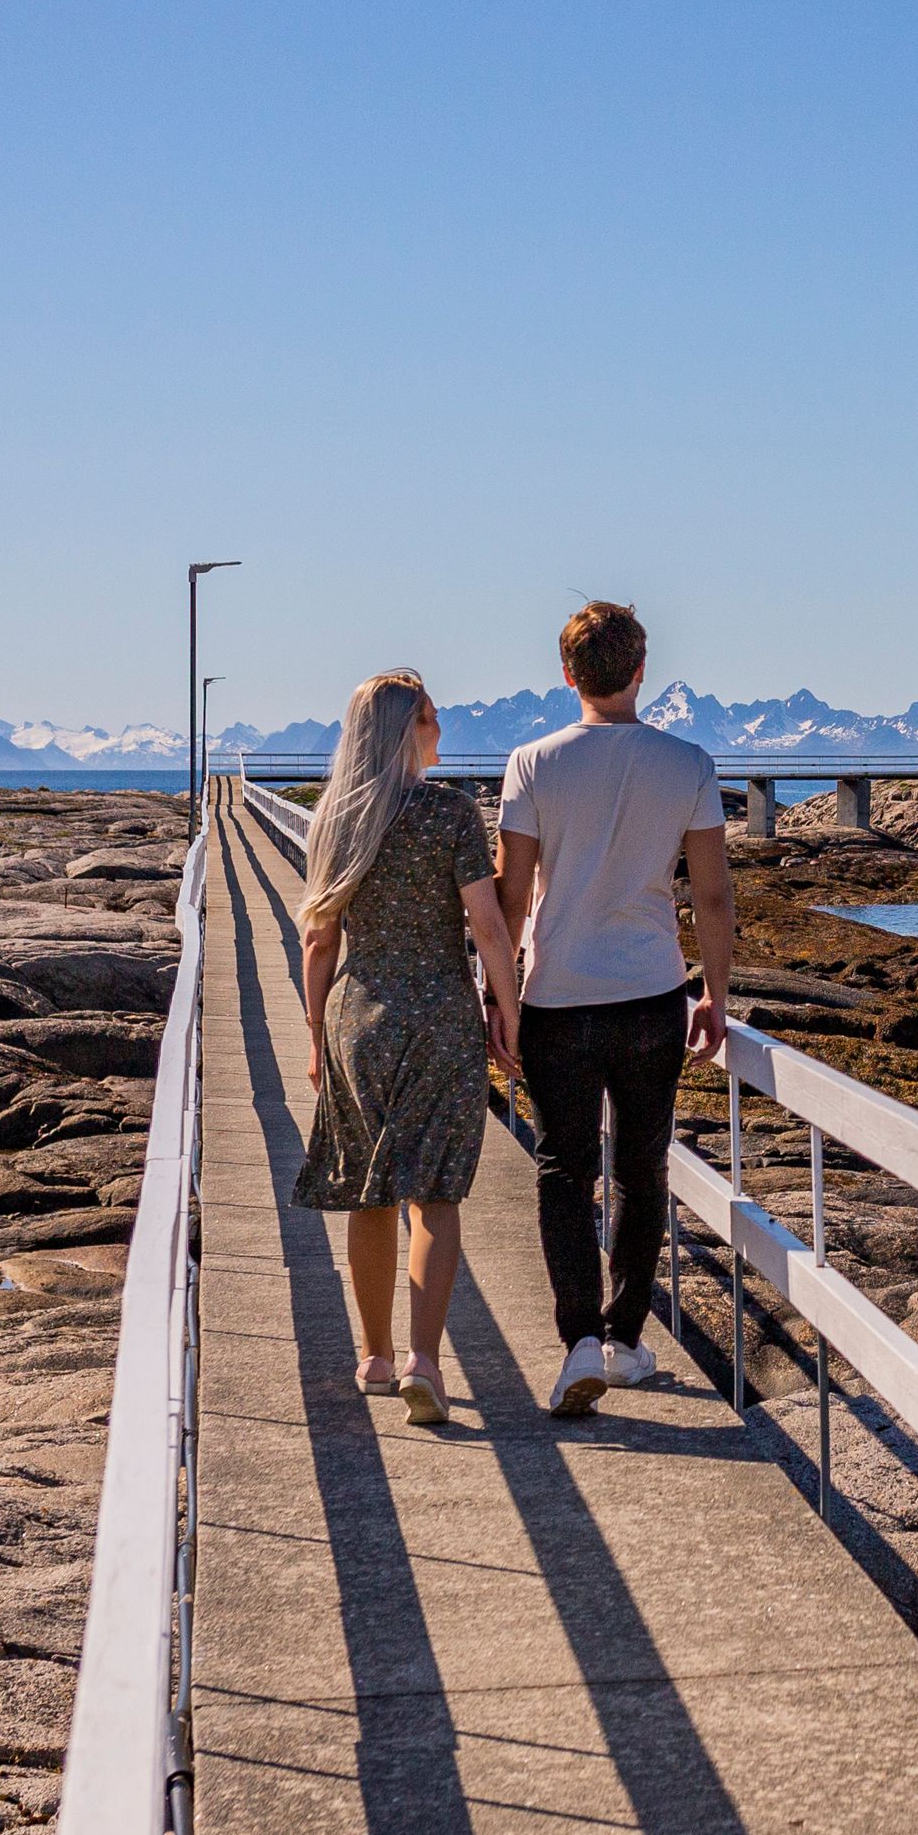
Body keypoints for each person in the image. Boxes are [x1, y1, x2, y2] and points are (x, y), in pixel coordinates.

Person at [495, 599, 734, 1418]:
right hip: (651, 994)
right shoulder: (687, 762)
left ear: (567, 675)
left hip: (556, 995)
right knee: (641, 1166)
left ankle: (579, 1344)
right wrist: (716, 994)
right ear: (640, 671)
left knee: (563, 1169)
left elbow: (511, 893)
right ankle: (626, 1341)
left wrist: (499, 997)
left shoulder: (531, 763)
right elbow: (711, 895)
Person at [294, 671, 524, 1427]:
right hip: (441, 1021)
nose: (440, 729)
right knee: (435, 1193)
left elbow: (320, 940)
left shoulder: (334, 819)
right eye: (431, 717)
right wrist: (508, 1009)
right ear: (405, 731)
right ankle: (425, 1361)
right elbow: (487, 926)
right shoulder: (451, 812)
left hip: (358, 1019)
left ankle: (375, 1356)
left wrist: (316, 1034)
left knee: (368, 1191)